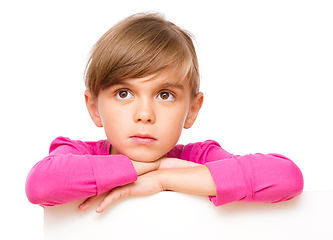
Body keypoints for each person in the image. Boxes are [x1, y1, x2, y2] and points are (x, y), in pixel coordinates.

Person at [25, 12, 303, 213]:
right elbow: (41, 185)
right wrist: (151, 167)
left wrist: (163, 177)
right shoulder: (78, 153)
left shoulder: (198, 158)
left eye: (165, 95)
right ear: (94, 108)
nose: (145, 114)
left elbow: (287, 177)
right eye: (124, 93)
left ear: (192, 110)